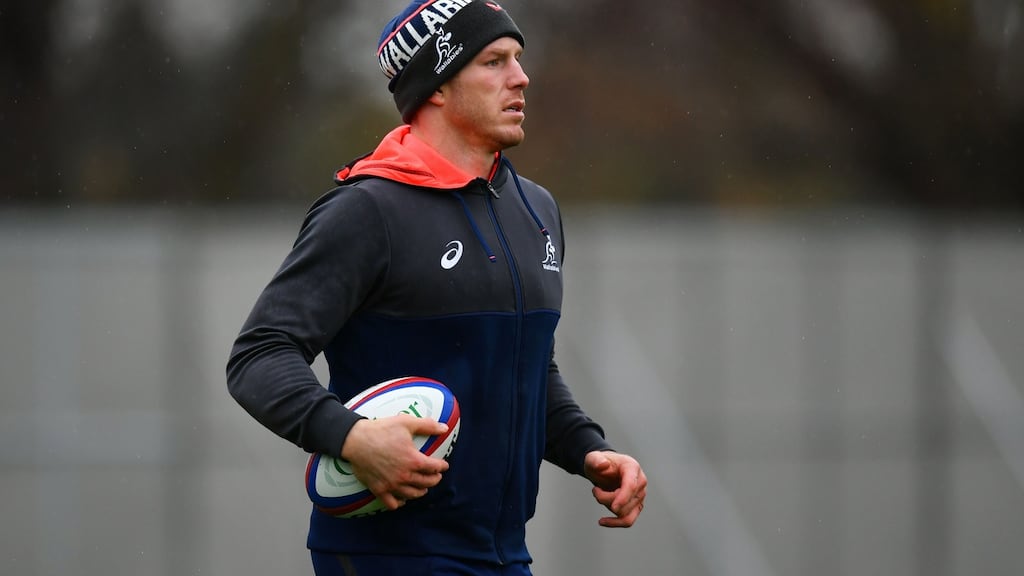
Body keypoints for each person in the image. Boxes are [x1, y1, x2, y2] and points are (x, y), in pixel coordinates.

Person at [226, 1, 647, 574]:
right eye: (494, 61)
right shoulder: (367, 212)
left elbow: (525, 366)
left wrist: (586, 448)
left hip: (504, 558)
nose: (521, 78)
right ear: (438, 87)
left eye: (518, 59)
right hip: (385, 556)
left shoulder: (537, 210)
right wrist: (351, 438)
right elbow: (259, 355)